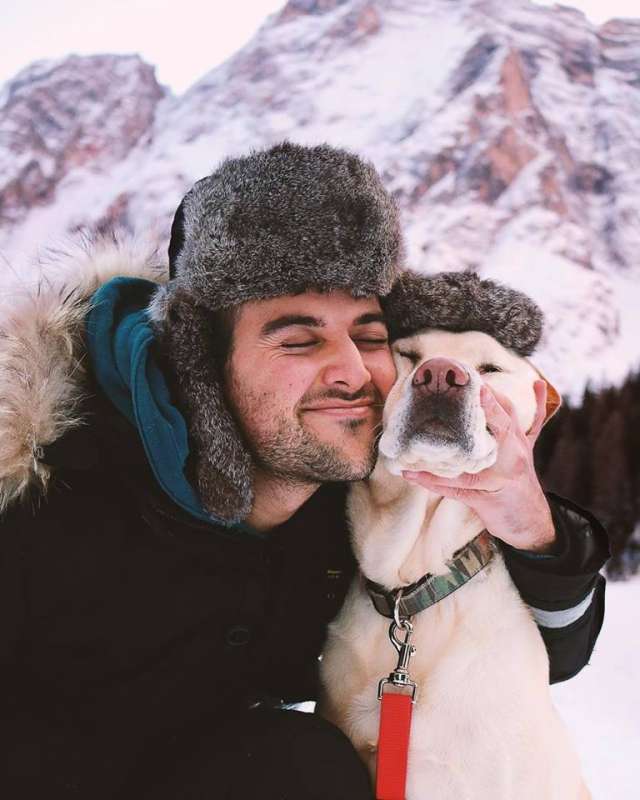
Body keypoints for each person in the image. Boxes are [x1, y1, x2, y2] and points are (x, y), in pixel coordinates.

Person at [0, 142, 608, 800]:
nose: (351, 371)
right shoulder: (49, 495)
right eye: (298, 338)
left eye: (371, 336)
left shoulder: (347, 494)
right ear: (203, 359)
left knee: (299, 767)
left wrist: (532, 529)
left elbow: (558, 651)